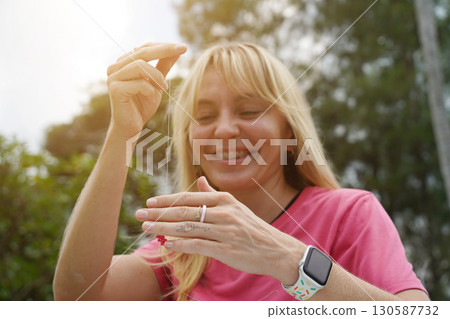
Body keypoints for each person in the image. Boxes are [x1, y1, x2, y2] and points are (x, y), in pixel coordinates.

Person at [53, 42, 428, 301]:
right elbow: (78, 296)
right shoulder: (183, 246)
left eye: (250, 111)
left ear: (288, 128)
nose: (226, 129)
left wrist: (286, 258)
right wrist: (123, 133)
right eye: (204, 116)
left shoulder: (350, 213)